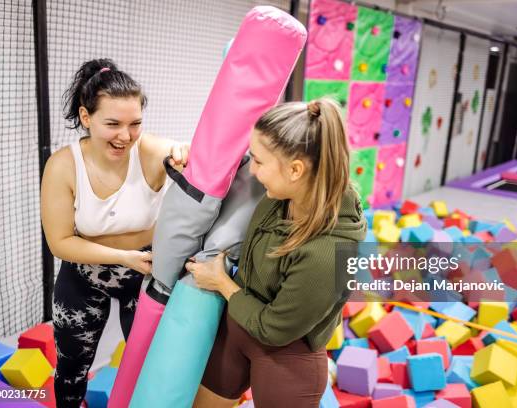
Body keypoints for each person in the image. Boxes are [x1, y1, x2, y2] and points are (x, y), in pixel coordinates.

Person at [186, 98, 367, 408]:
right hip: (236, 331)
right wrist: (183, 154)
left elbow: (273, 329)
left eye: (258, 161)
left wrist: (221, 283)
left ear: (295, 169)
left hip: (286, 353)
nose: (251, 171)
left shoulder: (329, 252)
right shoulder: (281, 194)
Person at [40, 58, 189, 407]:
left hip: (145, 271)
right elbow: (60, 242)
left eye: (135, 123)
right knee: (71, 369)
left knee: (151, 367)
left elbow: (184, 150)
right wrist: (123, 257)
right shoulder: (63, 165)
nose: (125, 135)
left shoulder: (149, 151)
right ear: (86, 117)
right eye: (113, 124)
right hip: (85, 274)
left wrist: (185, 150)